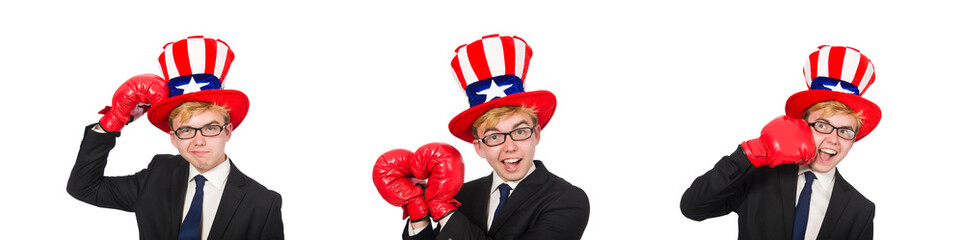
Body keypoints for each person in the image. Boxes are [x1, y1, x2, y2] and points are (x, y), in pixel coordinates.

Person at [373, 34, 590, 240]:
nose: (510, 146)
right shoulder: (461, 196)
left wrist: (443, 210)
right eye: (494, 137)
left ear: (536, 134)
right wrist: (418, 212)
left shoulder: (568, 199)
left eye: (520, 132)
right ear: (479, 147)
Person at [67, 36, 283, 240]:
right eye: (187, 130)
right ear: (173, 138)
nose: (198, 141)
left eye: (210, 128)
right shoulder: (158, 175)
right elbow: (84, 187)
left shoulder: (262, 203)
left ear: (227, 131)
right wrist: (113, 119)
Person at [680, 45, 879, 240]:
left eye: (845, 131)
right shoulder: (760, 178)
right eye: (822, 126)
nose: (833, 139)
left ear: (853, 140)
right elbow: (693, 208)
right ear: (802, 126)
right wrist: (750, 153)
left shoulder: (860, 209)